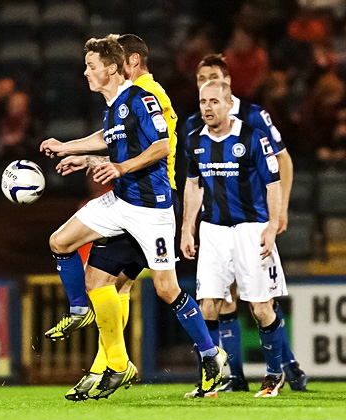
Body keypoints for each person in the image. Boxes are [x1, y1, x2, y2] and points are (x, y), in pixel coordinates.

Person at [40, 35, 226, 399]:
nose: (86, 72)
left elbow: (162, 146)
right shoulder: (114, 105)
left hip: (151, 210)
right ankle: (97, 333)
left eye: (91, 66)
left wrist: (119, 167)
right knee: (64, 247)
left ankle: (210, 355)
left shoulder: (143, 98)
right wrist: (73, 149)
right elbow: (109, 138)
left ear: (111, 68)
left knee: (166, 289)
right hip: (121, 203)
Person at [184, 54, 306, 395]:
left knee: (259, 304)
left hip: (250, 229)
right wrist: (186, 228)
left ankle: (278, 370)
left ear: (229, 99)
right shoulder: (193, 137)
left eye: (213, 100)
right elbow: (192, 185)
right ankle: (216, 377)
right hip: (213, 229)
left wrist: (273, 220)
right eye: (202, 99)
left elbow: (275, 176)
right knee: (209, 302)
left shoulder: (253, 132)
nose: (207, 106)